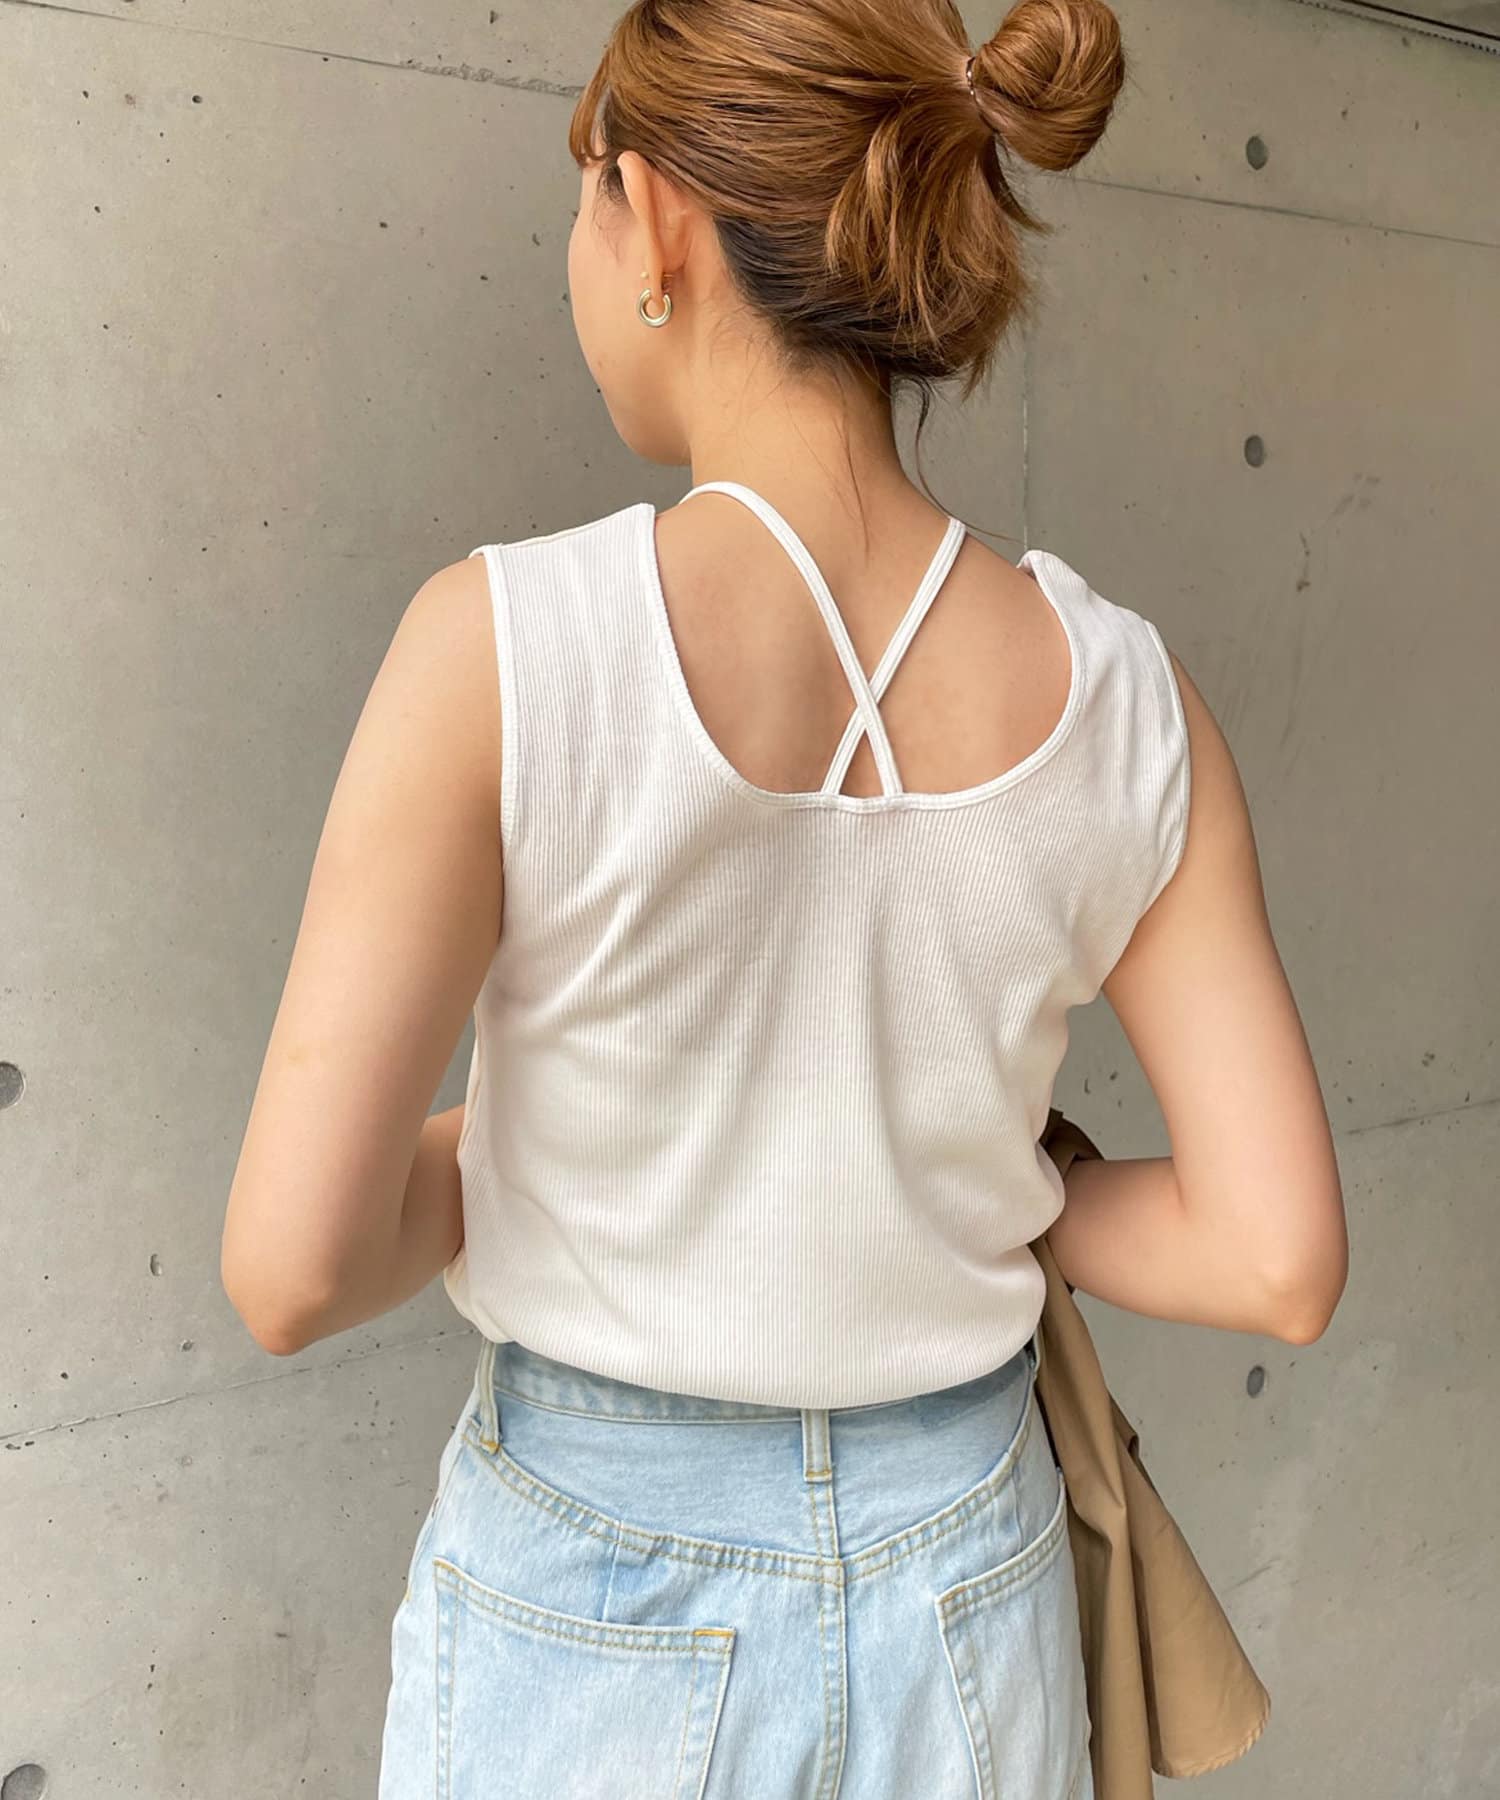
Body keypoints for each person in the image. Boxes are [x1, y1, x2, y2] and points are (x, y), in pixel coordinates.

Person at [221, 0, 1348, 1792]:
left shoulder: (503, 649)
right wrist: (1001, 1187)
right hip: (971, 1587)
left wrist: (564, 1144)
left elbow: (295, 1270)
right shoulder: (1130, 698)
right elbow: (1276, 1261)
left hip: (594, 1592)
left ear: (656, 218)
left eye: (584, 201)